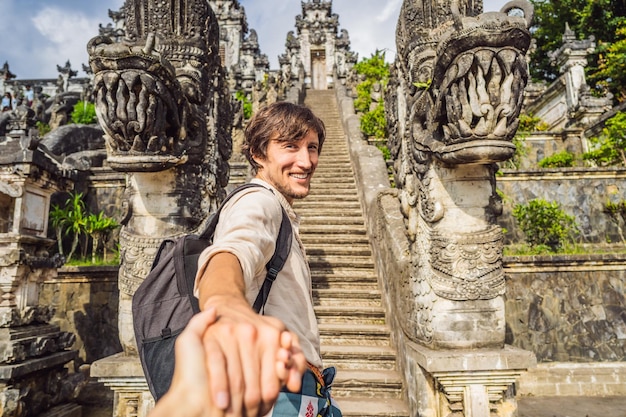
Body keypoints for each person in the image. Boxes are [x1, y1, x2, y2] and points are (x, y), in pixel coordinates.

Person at [194, 101, 341, 416]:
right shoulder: (259, 202)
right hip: (276, 390)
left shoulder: (279, 209)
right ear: (258, 154)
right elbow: (231, 253)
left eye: (312, 148)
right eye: (290, 146)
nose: (306, 161)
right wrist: (225, 304)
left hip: (300, 388)